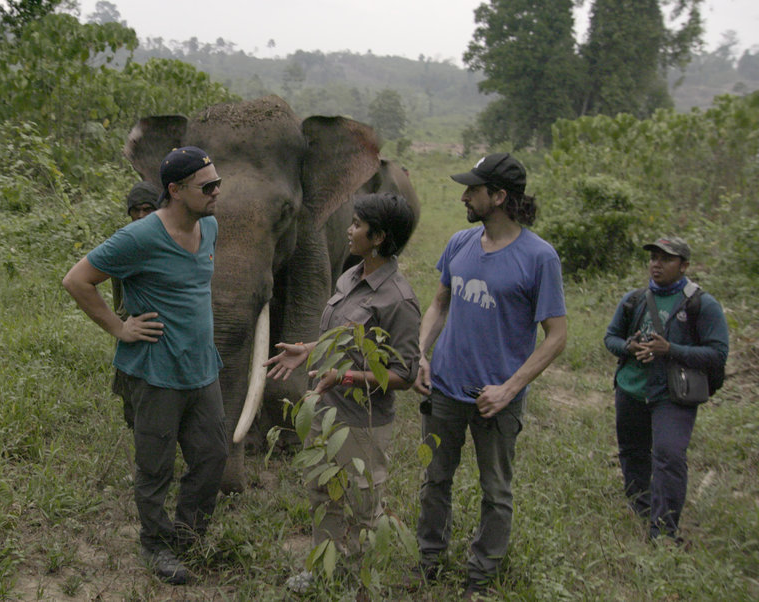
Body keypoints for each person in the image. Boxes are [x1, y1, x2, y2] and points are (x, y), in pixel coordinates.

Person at [62, 147, 228, 585]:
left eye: (217, 184)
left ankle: (189, 536)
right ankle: (155, 543)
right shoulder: (139, 237)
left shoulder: (208, 227)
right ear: (174, 191)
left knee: (213, 456)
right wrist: (119, 328)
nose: (216, 192)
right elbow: (77, 280)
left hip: (202, 369)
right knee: (155, 467)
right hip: (156, 373)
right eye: (206, 186)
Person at [412, 153, 567, 597]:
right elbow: (439, 303)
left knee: (496, 491)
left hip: (495, 398)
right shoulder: (460, 242)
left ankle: (480, 576)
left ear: (499, 197)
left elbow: (556, 336)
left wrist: (510, 388)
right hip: (444, 388)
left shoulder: (539, 257)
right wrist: (422, 354)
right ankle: (428, 560)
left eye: (473, 189)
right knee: (434, 479)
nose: (464, 195)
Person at [264, 192, 421, 559]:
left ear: (378, 237)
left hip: (362, 422)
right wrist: (308, 350)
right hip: (326, 411)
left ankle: (357, 581)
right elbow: (340, 340)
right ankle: (325, 569)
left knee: (360, 501)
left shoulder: (398, 299)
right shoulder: (351, 275)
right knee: (323, 491)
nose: (349, 231)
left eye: (356, 225)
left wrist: (346, 377)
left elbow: (406, 374)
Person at [604, 236, 728, 543]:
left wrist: (669, 349)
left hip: (674, 394)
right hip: (631, 388)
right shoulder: (634, 299)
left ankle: (664, 533)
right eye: (653, 258)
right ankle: (643, 512)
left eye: (666, 259)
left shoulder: (702, 304)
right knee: (633, 453)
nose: (656, 264)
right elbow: (611, 338)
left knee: (669, 457)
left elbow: (717, 354)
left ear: (684, 265)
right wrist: (630, 348)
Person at [111, 181, 160, 429]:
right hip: (132, 324)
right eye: (136, 210)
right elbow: (116, 290)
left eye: (148, 209)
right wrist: (120, 324)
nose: (141, 215)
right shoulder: (124, 242)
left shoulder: (169, 238)